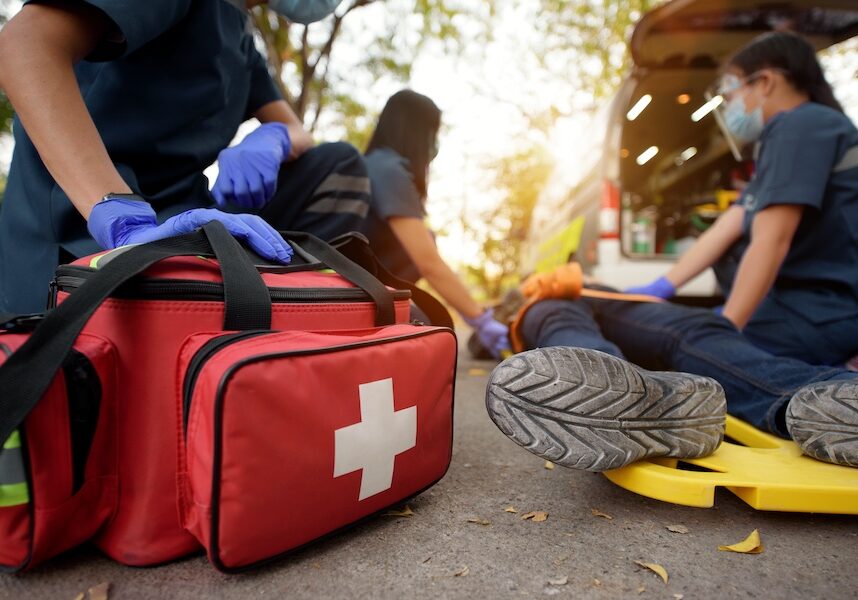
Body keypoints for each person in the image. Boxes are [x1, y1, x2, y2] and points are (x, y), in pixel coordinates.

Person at [0, 0, 371, 314]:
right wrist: (120, 216)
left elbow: (298, 131)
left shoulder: (243, 47)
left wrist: (272, 138)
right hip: (83, 234)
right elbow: (25, 44)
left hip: (185, 224)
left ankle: (311, 303)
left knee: (337, 162)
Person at [626, 32, 858, 367]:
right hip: (813, 310)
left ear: (764, 82)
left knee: (677, 344)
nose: (730, 104)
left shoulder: (800, 125)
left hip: (823, 314)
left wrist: (726, 331)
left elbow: (771, 239)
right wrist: (662, 285)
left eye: (731, 91)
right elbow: (727, 227)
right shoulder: (797, 133)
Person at [361, 90, 509, 357]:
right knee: (433, 334)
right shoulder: (388, 170)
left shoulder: (375, 164)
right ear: (415, 130)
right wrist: (480, 319)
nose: (434, 144)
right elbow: (428, 261)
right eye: (432, 132)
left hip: (366, 284)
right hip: (365, 293)